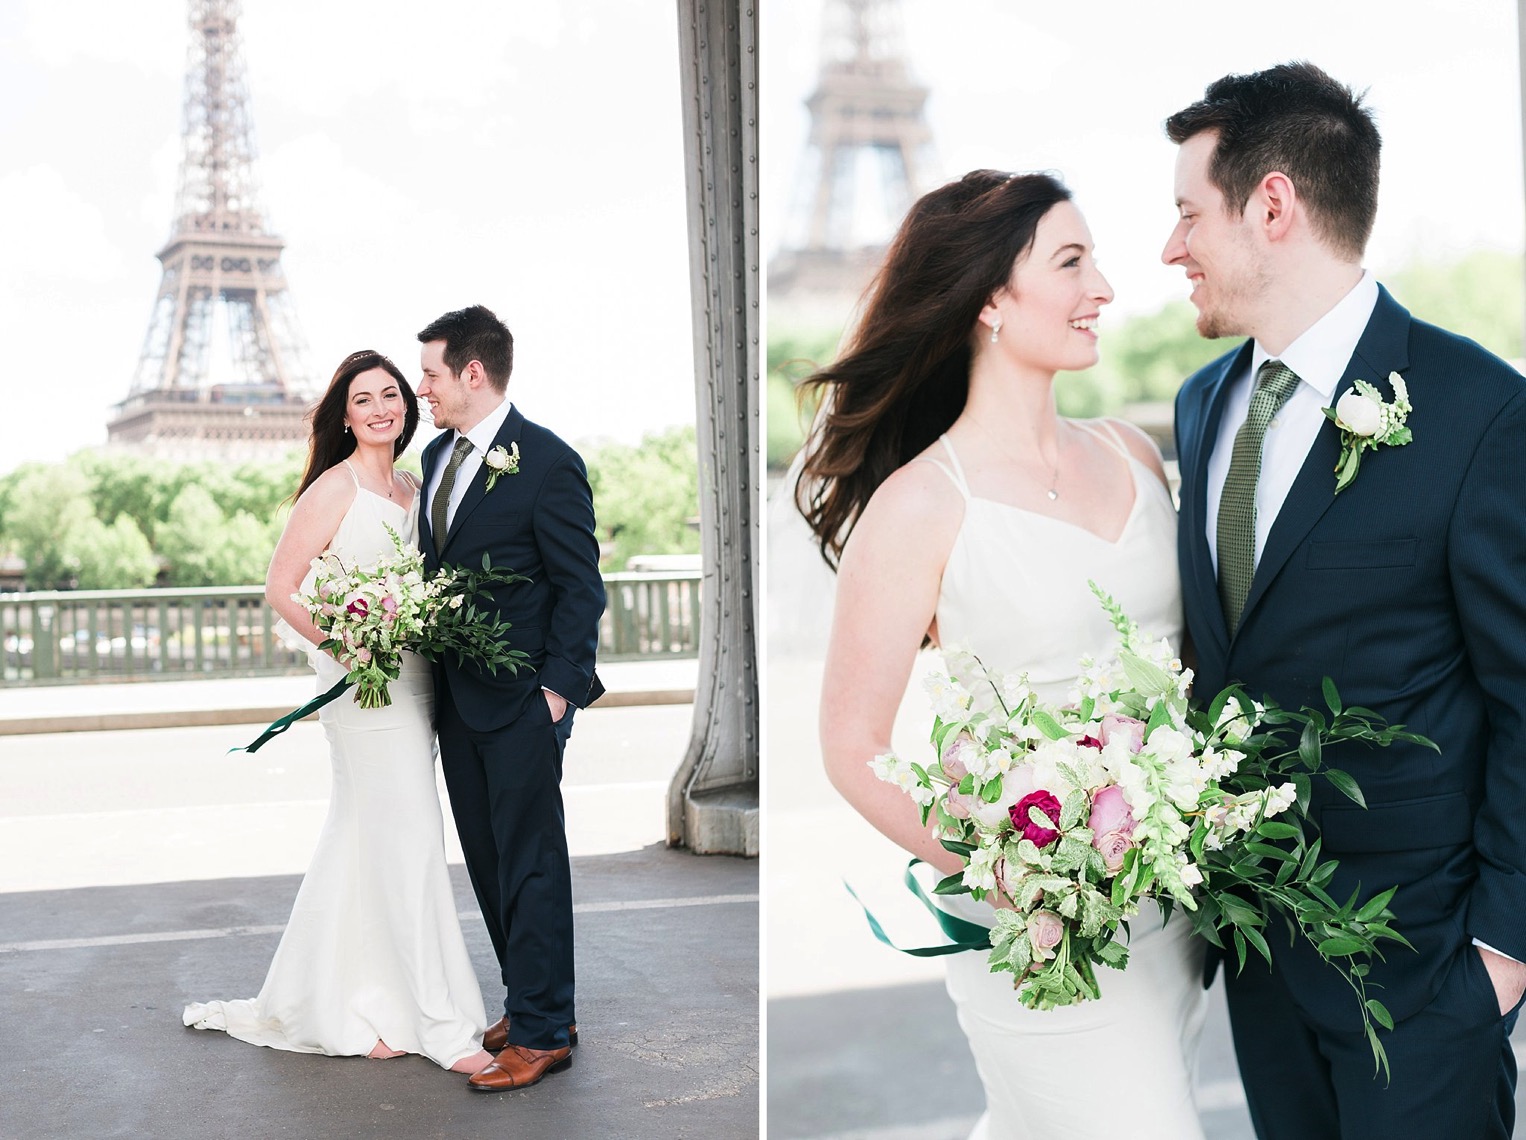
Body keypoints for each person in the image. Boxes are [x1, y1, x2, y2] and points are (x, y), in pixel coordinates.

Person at [797, 171, 1207, 1140]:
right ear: (988, 297)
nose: (1102, 287)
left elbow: (1189, 672)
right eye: (1070, 262)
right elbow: (849, 746)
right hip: (1033, 927)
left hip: (1166, 920)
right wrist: (1006, 870)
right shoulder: (919, 505)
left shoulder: (1135, 457)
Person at [1165, 61, 1526, 1139]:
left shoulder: (1478, 409)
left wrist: (1496, 962)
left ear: (1269, 204)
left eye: (1186, 214)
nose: (1168, 248)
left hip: (1422, 977)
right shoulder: (1199, 405)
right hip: (1253, 961)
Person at [183, 349, 493, 1075]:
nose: (382, 407)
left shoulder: (416, 487)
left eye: (392, 394)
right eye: (364, 399)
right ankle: (436, 1022)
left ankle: (350, 1001)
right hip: (365, 689)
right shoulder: (334, 487)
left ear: (406, 407)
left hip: (416, 681)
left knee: (365, 836)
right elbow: (281, 585)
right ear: (344, 415)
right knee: (410, 834)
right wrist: (348, 646)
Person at [415, 305, 605, 1093]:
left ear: (471, 372)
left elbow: (579, 589)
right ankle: (533, 1004)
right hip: (455, 701)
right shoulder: (434, 458)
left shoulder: (549, 462)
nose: (419, 388)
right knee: (492, 866)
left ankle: (543, 1032)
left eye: (429, 373)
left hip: (525, 700)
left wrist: (558, 693)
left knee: (532, 865)